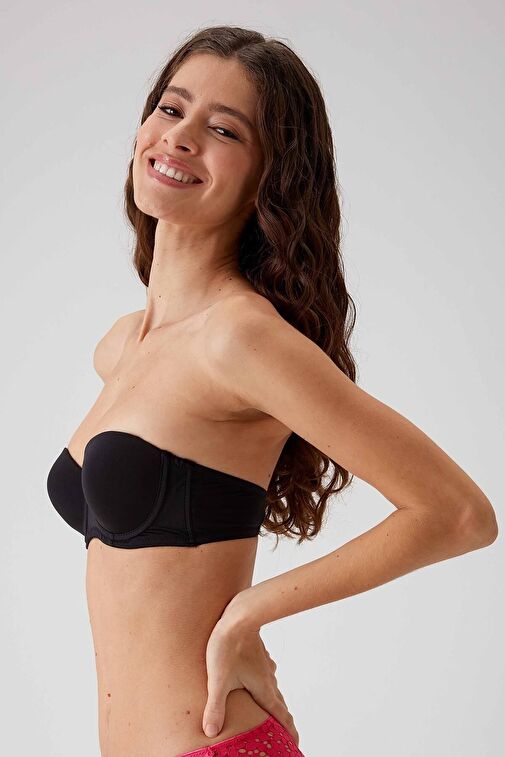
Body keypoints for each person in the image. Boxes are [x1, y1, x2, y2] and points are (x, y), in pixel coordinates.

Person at [46, 24, 498, 757]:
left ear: (269, 177)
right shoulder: (122, 345)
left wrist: (247, 613)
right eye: (171, 109)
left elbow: (458, 513)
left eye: (224, 129)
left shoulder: (239, 337)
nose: (181, 136)